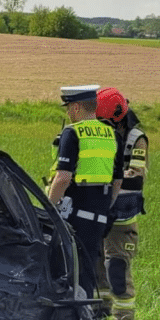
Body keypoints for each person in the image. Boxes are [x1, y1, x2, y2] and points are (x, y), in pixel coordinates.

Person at [46, 85, 124, 299]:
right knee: (87, 271)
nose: (68, 113)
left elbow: (63, 178)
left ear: (77, 107)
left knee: (62, 270)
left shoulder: (73, 132)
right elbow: (117, 180)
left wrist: (48, 207)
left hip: (72, 217)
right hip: (98, 218)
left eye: (69, 108)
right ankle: (86, 319)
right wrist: (104, 206)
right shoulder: (112, 135)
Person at [94, 87, 148, 320]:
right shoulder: (101, 134)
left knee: (117, 275)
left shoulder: (136, 138)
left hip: (122, 218)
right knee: (97, 277)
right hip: (98, 215)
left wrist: (107, 178)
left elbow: (135, 179)